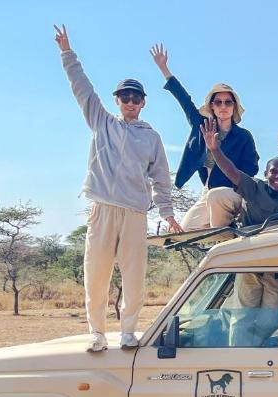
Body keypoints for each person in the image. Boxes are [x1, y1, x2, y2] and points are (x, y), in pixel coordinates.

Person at [54, 25, 182, 353]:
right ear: (117, 100)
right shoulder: (102, 122)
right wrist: (67, 53)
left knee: (134, 275)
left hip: (135, 213)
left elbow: (161, 179)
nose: (130, 101)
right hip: (102, 208)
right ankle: (96, 332)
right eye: (124, 96)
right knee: (95, 273)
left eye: (135, 97)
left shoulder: (150, 136)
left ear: (143, 103)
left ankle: (128, 331)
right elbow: (82, 89)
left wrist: (167, 213)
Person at [201, 117, 278, 307]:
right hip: (250, 263)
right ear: (266, 174)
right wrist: (215, 150)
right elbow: (232, 171)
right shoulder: (254, 187)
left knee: (272, 320)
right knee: (242, 317)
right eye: (274, 172)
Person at [150, 44, 260, 231]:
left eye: (228, 102)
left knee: (217, 202)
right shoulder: (201, 126)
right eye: (218, 102)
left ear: (234, 106)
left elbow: (251, 169)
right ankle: (224, 233)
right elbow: (185, 100)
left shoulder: (243, 137)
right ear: (212, 106)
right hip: (208, 191)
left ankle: (227, 238)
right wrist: (164, 69)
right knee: (188, 230)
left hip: (232, 193)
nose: (223, 106)